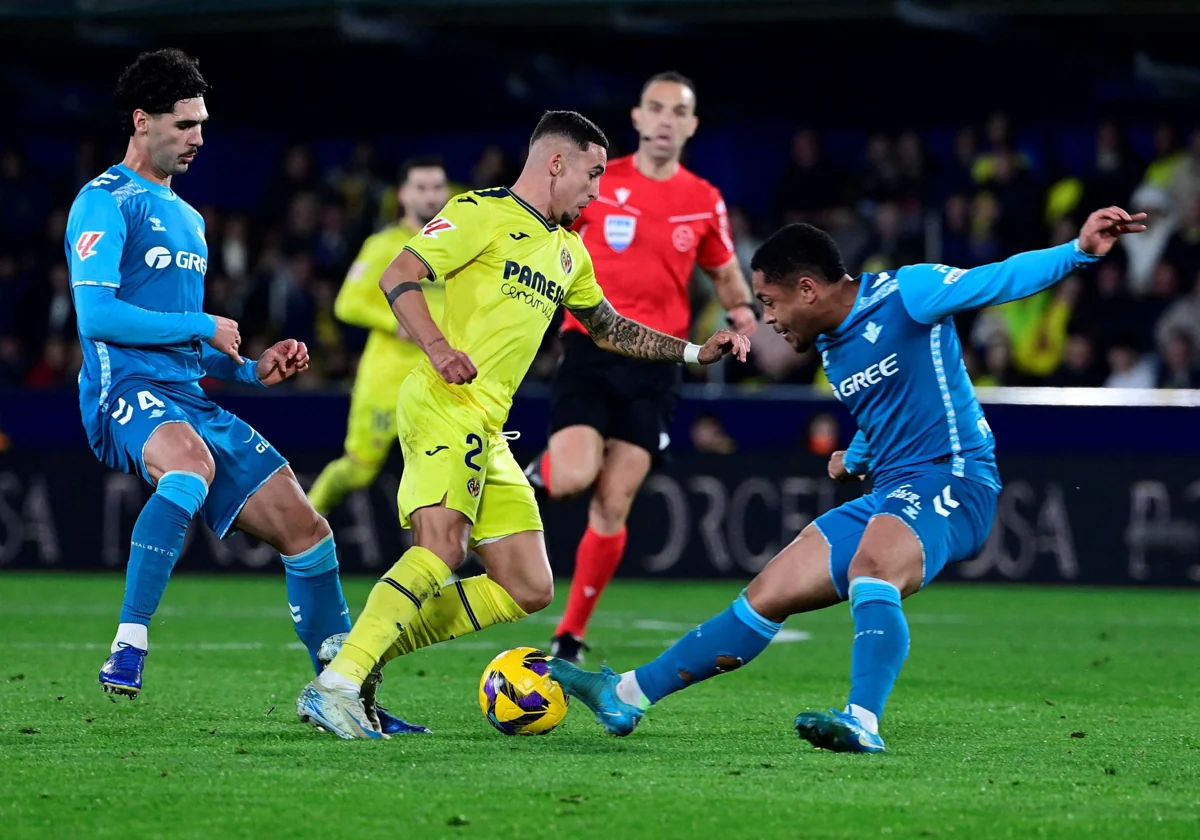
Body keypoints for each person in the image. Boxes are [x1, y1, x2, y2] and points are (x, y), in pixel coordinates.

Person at [547, 206, 1146, 752]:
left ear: (807, 289)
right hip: (890, 488)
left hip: (954, 478)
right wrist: (856, 454)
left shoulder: (908, 292)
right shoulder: (831, 345)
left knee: (871, 567)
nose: (769, 319)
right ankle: (627, 695)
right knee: (767, 594)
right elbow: (885, 408)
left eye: (772, 302)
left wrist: (1079, 250)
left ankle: (864, 719)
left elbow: (998, 278)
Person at [296, 110, 751, 739]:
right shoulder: (479, 211)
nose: (598, 190)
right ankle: (338, 686)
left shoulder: (569, 251)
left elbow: (609, 328)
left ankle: (361, 650)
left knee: (528, 584)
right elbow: (398, 275)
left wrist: (695, 352)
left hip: (491, 423)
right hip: (442, 401)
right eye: (592, 175)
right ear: (556, 164)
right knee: (441, 549)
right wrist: (437, 349)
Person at [67, 48, 423, 734]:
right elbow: (98, 316)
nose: (200, 136)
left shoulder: (191, 221)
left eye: (203, 123)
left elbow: (189, 346)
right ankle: (130, 642)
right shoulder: (102, 202)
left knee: (307, 529)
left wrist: (253, 368)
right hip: (123, 390)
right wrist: (205, 321)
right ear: (142, 121)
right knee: (190, 465)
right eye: (185, 123)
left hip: (188, 396)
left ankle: (346, 694)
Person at [523, 71, 758, 664]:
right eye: (654, 108)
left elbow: (726, 272)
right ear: (636, 117)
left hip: (657, 362)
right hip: (590, 349)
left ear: (691, 125)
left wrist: (741, 313)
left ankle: (569, 636)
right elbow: (542, 233)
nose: (663, 120)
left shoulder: (703, 199)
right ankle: (530, 480)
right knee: (575, 477)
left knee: (614, 500)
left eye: (676, 112)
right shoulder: (601, 181)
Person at [308, 156, 450, 516]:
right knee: (358, 471)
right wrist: (396, 323)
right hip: (387, 379)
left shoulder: (456, 247)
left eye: (437, 187)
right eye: (420, 187)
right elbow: (346, 304)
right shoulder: (385, 244)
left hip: (439, 380)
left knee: (448, 475)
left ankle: (442, 559)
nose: (430, 196)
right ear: (403, 194)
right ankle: (300, 527)